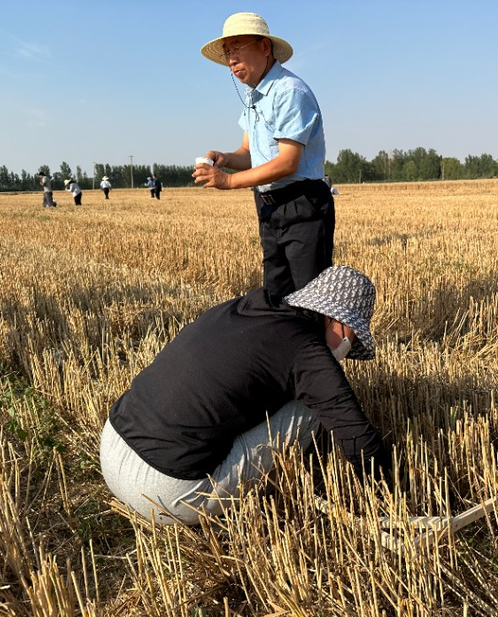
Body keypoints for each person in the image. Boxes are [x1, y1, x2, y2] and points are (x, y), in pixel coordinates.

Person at [100, 266, 390, 525]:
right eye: (352, 337)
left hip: (112, 445)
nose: (348, 347)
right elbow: (357, 437)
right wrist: (387, 491)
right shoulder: (307, 351)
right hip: (163, 493)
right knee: (311, 406)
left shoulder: (245, 307)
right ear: (336, 320)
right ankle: (276, 485)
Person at [194, 12, 334, 299]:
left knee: (310, 301)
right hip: (269, 207)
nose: (230, 60)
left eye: (237, 49)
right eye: (227, 52)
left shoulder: (289, 91)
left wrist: (229, 182)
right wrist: (225, 159)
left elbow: (287, 162)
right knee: (277, 297)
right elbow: (249, 153)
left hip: (301, 205)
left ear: (264, 47)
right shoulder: (254, 96)